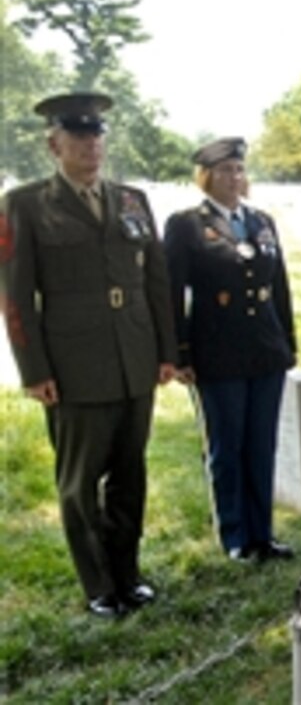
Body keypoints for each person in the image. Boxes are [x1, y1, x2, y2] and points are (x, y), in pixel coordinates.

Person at [1, 92, 176, 617]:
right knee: (80, 484)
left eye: (97, 136)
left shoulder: (131, 200)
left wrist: (166, 351)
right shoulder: (27, 204)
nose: (90, 146)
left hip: (134, 357)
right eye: (78, 137)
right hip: (74, 365)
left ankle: (129, 573)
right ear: (54, 145)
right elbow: (15, 296)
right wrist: (34, 371)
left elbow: (157, 282)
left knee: (130, 474)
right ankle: (99, 585)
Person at [164, 137, 297, 563]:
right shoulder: (186, 224)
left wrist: (287, 344)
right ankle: (236, 534)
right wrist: (179, 352)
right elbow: (172, 293)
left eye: (239, 170)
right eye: (224, 171)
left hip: (265, 351)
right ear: (205, 177)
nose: (233, 178)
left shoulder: (261, 221)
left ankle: (264, 532)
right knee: (227, 446)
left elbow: (279, 288)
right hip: (218, 353)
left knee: (262, 444)